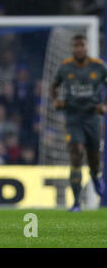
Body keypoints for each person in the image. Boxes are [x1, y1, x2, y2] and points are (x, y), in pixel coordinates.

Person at [50, 34, 106, 212]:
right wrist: (56, 101)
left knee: (93, 158)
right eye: (75, 46)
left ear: (86, 47)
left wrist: (104, 105)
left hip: (92, 117)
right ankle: (75, 203)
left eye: (81, 46)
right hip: (73, 117)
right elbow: (54, 86)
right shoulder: (65, 67)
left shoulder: (98, 66)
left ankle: (95, 175)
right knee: (76, 155)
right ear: (72, 48)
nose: (78, 49)